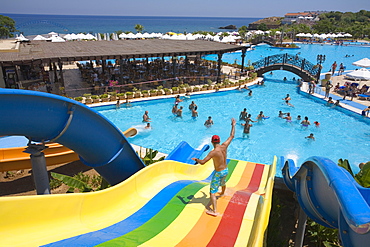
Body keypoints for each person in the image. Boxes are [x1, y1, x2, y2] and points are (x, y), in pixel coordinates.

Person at [192, 118, 236, 216]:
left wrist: (196, 160)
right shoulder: (224, 146)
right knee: (223, 182)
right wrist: (233, 125)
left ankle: (215, 211)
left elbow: (203, 162)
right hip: (226, 170)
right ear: (219, 141)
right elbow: (232, 136)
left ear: (212, 142)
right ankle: (223, 193)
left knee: (212, 192)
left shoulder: (213, 152)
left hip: (218, 172)